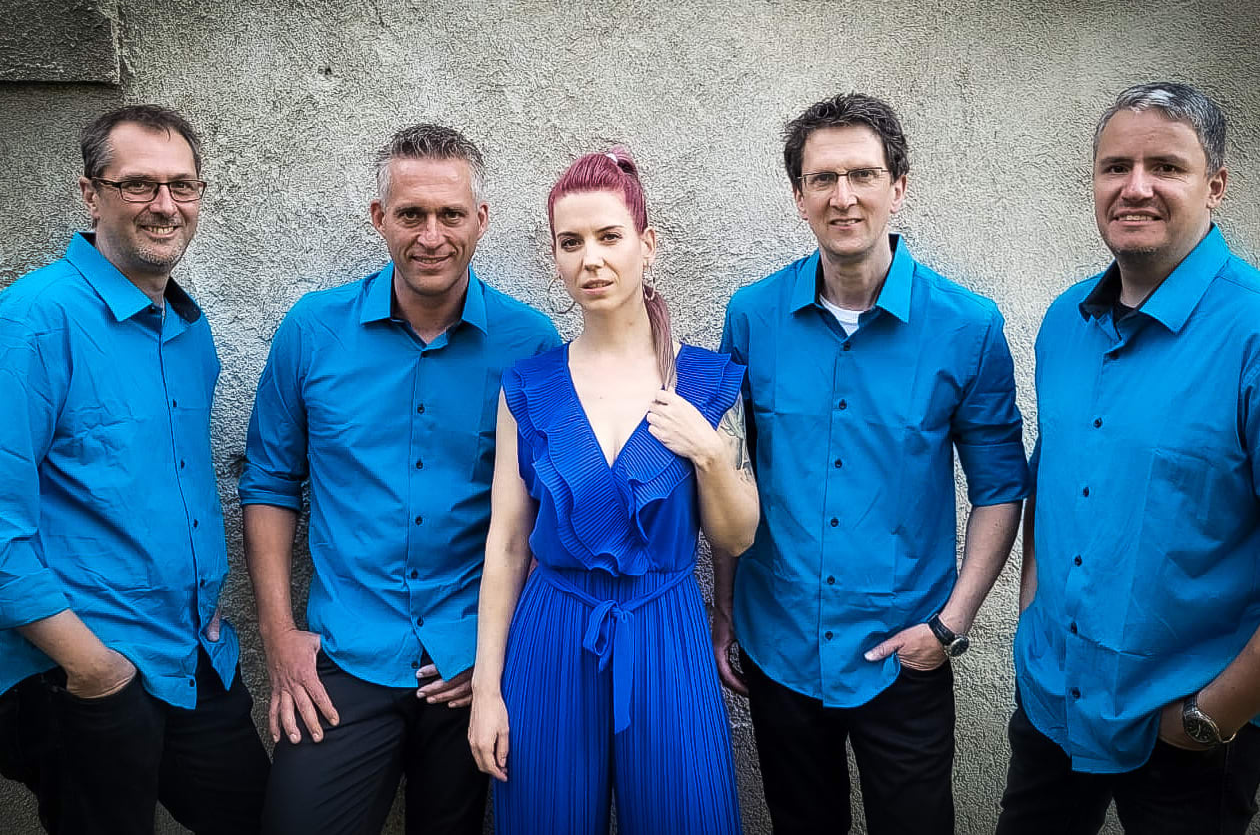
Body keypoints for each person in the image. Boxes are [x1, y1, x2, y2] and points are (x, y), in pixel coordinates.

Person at [713, 92, 1030, 834]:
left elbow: (1000, 487)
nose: (843, 196)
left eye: (862, 174)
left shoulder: (968, 326)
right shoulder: (751, 316)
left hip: (905, 653)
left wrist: (950, 626)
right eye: (823, 178)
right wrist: (725, 611)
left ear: (899, 186)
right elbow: (729, 474)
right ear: (798, 196)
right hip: (779, 643)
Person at [239, 123, 558, 835]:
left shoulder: (531, 344)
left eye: (450, 214)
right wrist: (278, 636)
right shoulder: (312, 330)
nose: (431, 236)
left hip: (472, 662)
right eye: (411, 214)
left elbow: (546, 513)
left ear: (481, 220)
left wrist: (498, 653)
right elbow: (268, 483)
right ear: (379, 218)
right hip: (344, 658)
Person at [468, 148, 757, 834]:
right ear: (555, 257)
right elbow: (506, 544)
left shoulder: (705, 381)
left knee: (687, 817)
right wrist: (486, 689)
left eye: (608, 237)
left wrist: (710, 451)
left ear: (646, 245)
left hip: (668, 624)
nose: (591, 260)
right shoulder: (528, 386)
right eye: (571, 242)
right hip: (552, 629)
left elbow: (738, 536)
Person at [997, 82, 1260, 834]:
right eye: (1116, 166)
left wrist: (1213, 715)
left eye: (1165, 167)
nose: (1135, 187)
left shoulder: (1251, 331)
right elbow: (1054, 484)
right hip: (1054, 702)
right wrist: (1032, 621)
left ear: (1215, 185)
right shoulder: (1065, 320)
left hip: (1190, 732)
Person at [0, 105, 269, 834]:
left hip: (191, 654)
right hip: (83, 672)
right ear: (91, 195)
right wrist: (94, 671)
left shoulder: (186, 329)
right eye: (139, 185)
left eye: (183, 186)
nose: (165, 205)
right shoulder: (33, 319)